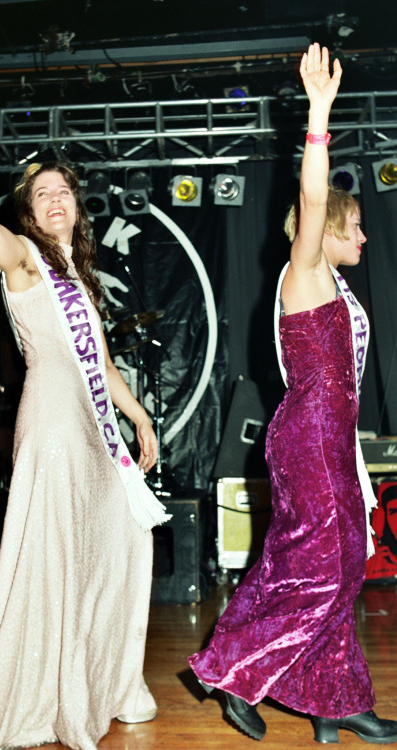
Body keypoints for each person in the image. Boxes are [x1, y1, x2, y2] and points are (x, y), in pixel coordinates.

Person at [0, 75, 171, 750]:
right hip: (51, 425)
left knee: (123, 539)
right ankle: (50, 693)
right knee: (54, 556)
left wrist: (140, 417)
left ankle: (109, 683)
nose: (54, 200)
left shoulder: (76, 276)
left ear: (77, 206)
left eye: (63, 191)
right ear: (30, 212)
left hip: (92, 424)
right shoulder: (22, 261)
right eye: (41, 194)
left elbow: (99, 365)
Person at [188, 43, 397, 744]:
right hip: (308, 435)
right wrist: (318, 112)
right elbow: (311, 193)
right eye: (356, 224)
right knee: (324, 570)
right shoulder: (303, 267)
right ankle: (231, 668)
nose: (365, 235)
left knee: (322, 565)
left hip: (323, 435)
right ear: (329, 228)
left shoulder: (330, 285)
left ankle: (335, 697)